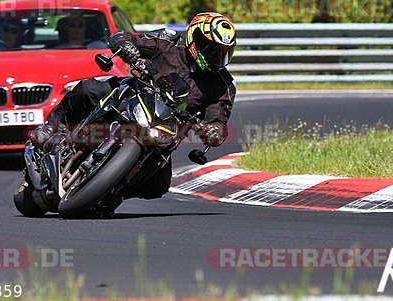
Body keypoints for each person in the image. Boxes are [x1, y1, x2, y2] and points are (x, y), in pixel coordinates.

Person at [28, 12, 237, 200]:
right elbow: (125, 37)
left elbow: (218, 117)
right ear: (194, 37)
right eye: (210, 48)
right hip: (133, 94)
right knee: (90, 88)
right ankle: (51, 127)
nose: (215, 56)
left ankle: (112, 192)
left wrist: (214, 131)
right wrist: (126, 47)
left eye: (222, 52)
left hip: (166, 129)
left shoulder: (222, 84)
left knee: (157, 187)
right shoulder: (168, 43)